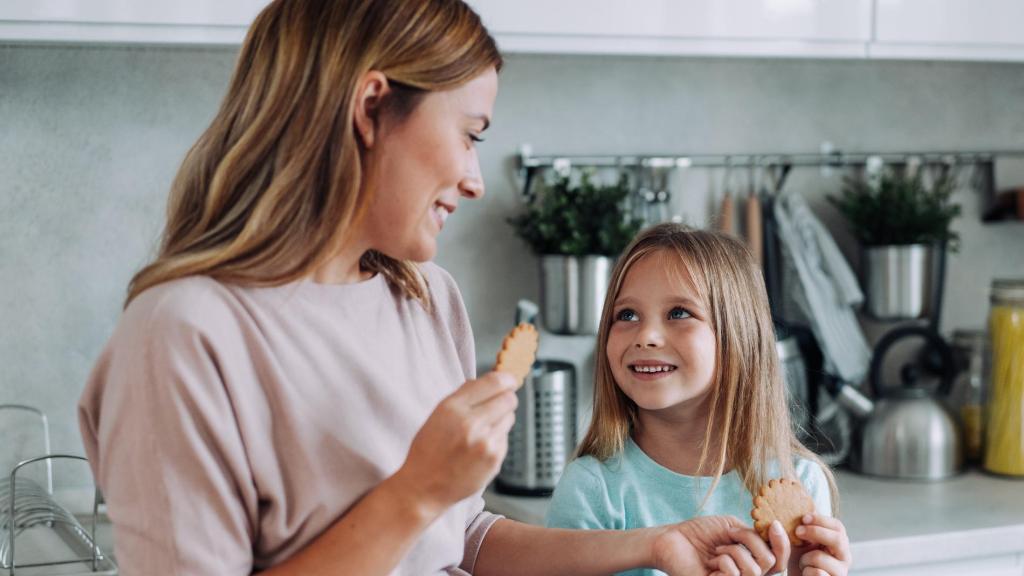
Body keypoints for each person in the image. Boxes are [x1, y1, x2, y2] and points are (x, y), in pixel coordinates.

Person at [77, 1, 789, 574]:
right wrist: (415, 492)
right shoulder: (182, 335)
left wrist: (657, 544)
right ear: (371, 107)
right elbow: (422, 512)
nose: (476, 180)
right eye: (470, 133)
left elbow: (461, 540)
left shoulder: (425, 298)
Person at [545, 223, 853, 576]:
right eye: (627, 315)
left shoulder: (799, 481)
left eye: (679, 313)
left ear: (738, 336)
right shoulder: (591, 490)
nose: (645, 335)